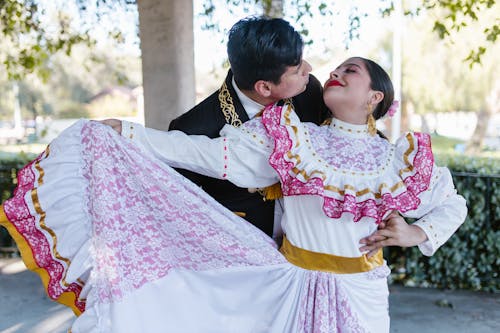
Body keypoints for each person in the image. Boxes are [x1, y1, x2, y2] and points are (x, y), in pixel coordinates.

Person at [0, 57, 466, 332]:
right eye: (337, 69)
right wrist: (128, 133)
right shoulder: (295, 140)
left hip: (363, 293)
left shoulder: (397, 159)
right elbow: (207, 155)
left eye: (352, 71)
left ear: (375, 98)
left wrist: (415, 231)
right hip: (290, 284)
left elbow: (452, 204)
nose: (336, 74)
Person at [168, 16, 330, 237]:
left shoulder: (308, 91)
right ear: (264, 87)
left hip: (312, 241)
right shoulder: (192, 129)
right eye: (297, 69)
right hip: (245, 253)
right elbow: (183, 215)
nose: (308, 69)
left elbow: (343, 138)